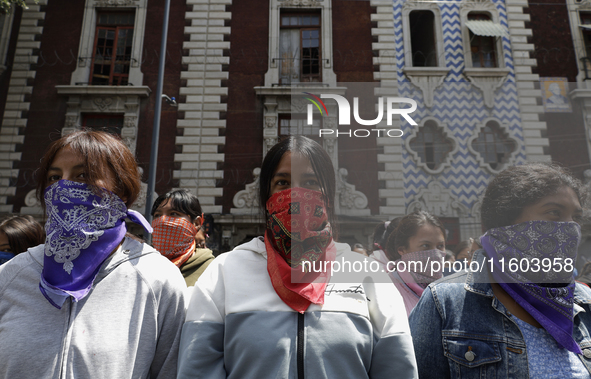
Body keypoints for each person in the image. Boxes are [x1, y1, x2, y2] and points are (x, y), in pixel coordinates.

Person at [178, 136, 418, 378]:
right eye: (283, 182)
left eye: (311, 182)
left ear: (328, 193)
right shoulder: (224, 273)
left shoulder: (368, 276)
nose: (296, 194)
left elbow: (396, 369)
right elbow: (197, 368)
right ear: (266, 195)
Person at [0, 130, 187, 378]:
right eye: (54, 177)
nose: (64, 186)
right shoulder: (11, 275)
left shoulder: (158, 279)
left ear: (121, 190)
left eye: (83, 175)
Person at [409, 163, 591, 378]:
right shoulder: (446, 302)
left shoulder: (584, 301)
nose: (570, 227)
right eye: (554, 213)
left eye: (575, 217)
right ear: (506, 221)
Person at [384, 211, 447, 316]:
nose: (436, 253)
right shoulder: (386, 288)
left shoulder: (449, 288)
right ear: (402, 250)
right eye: (425, 245)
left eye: (440, 246)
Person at [151, 189, 215, 286]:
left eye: (173, 214)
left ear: (196, 223)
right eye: (157, 215)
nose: (162, 220)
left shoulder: (212, 270)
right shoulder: (145, 265)